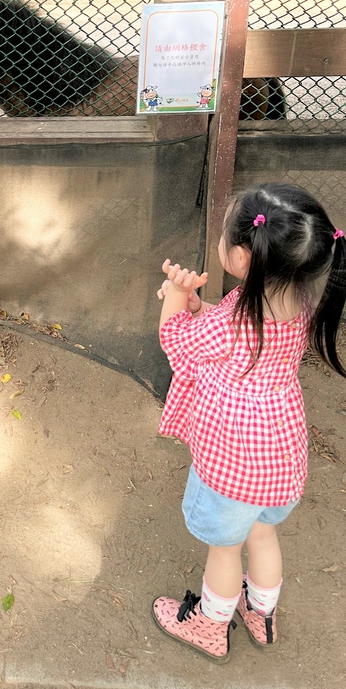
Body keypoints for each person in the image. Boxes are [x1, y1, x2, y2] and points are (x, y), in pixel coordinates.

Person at [152, 182, 346, 663]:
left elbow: (174, 341)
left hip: (232, 462)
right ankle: (261, 613)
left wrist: (176, 296)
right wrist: (204, 308)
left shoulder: (233, 322)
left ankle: (209, 626)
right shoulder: (299, 301)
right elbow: (230, 334)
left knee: (226, 550)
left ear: (242, 258)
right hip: (279, 456)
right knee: (262, 535)